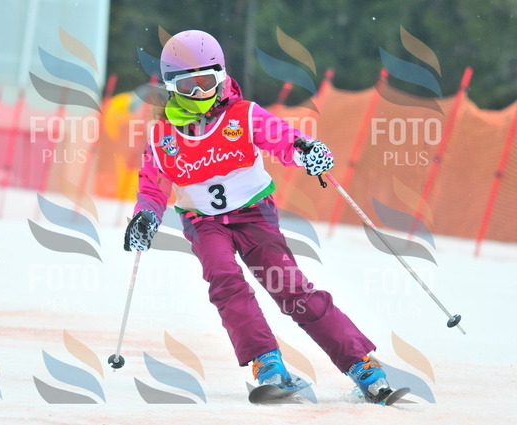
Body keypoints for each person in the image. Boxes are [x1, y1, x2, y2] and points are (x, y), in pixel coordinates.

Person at [124, 30, 391, 403]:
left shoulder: (243, 115)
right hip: (204, 222)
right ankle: (267, 363)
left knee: (289, 288)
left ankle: (361, 364)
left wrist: (305, 150)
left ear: (221, 77)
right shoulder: (162, 137)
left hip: (254, 215)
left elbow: (281, 137)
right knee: (225, 281)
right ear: (172, 87)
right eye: (188, 85)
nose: (199, 93)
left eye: (207, 82)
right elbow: (152, 188)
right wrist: (145, 217)